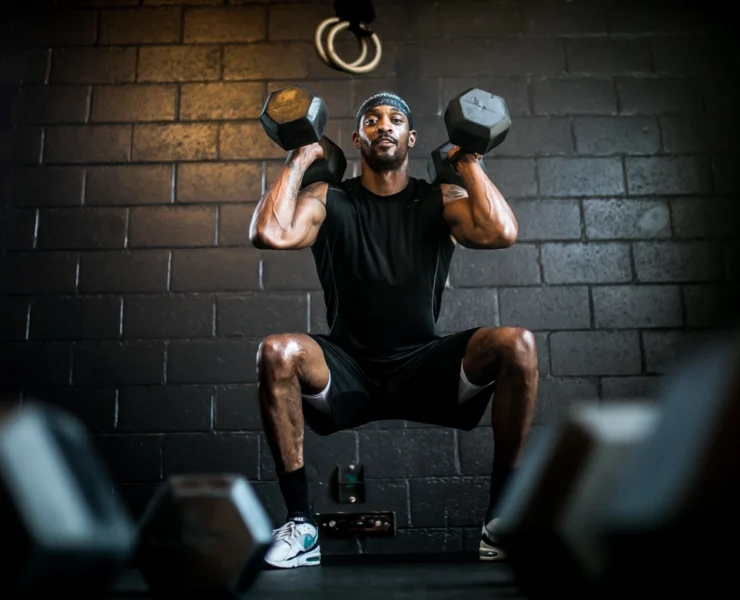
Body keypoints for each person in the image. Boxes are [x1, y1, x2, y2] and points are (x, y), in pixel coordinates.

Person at [249, 92, 539, 569]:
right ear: (356, 137)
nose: (384, 125)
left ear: (411, 138)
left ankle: (500, 522)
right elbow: (270, 233)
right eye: (372, 119)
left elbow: (500, 233)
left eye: (396, 119)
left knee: (517, 345)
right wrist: (300, 158)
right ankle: (302, 525)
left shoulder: (439, 197)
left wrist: (467, 161)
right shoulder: (330, 198)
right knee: (277, 351)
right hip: (347, 368)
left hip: (423, 366)